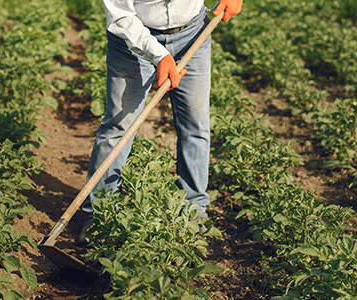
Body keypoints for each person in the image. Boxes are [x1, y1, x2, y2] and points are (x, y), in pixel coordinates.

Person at [78, 0, 243, 246]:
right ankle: (99, 213)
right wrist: (160, 56)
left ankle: (194, 206)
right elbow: (120, 16)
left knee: (196, 124)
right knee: (118, 126)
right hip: (133, 41)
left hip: (192, 32)